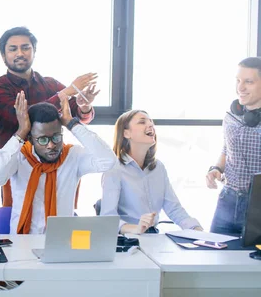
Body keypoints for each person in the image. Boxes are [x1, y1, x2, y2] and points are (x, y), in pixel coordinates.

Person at [0, 26, 98, 207]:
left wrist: (84, 106)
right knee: (17, 224)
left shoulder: (50, 83)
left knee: (58, 223)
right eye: (13, 49)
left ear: (34, 51)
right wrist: (67, 92)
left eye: (25, 47)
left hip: (55, 164)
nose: (20, 53)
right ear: (3, 55)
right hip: (16, 167)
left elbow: (78, 116)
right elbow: (25, 119)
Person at [0, 96, 116, 234]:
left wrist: (72, 124)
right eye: (42, 139)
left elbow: (108, 161)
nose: (51, 145)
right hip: (22, 243)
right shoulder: (20, 156)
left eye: (56, 137)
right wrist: (21, 132)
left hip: (61, 245)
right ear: (30, 138)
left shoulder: (73, 156)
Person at [101, 110, 202, 234]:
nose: (150, 125)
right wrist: (136, 229)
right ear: (126, 133)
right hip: (127, 239)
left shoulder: (158, 167)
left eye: (151, 122)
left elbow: (174, 209)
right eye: (142, 122)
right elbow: (107, 218)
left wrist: (196, 229)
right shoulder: (114, 169)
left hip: (153, 237)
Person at [207, 57, 261, 235]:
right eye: (238, 80)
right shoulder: (232, 116)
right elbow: (226, 149)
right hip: (227, 202)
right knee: (217, 258)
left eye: (248, 82)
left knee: (254, 261)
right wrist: (216, 168)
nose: (240, 87)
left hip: (258, 206)